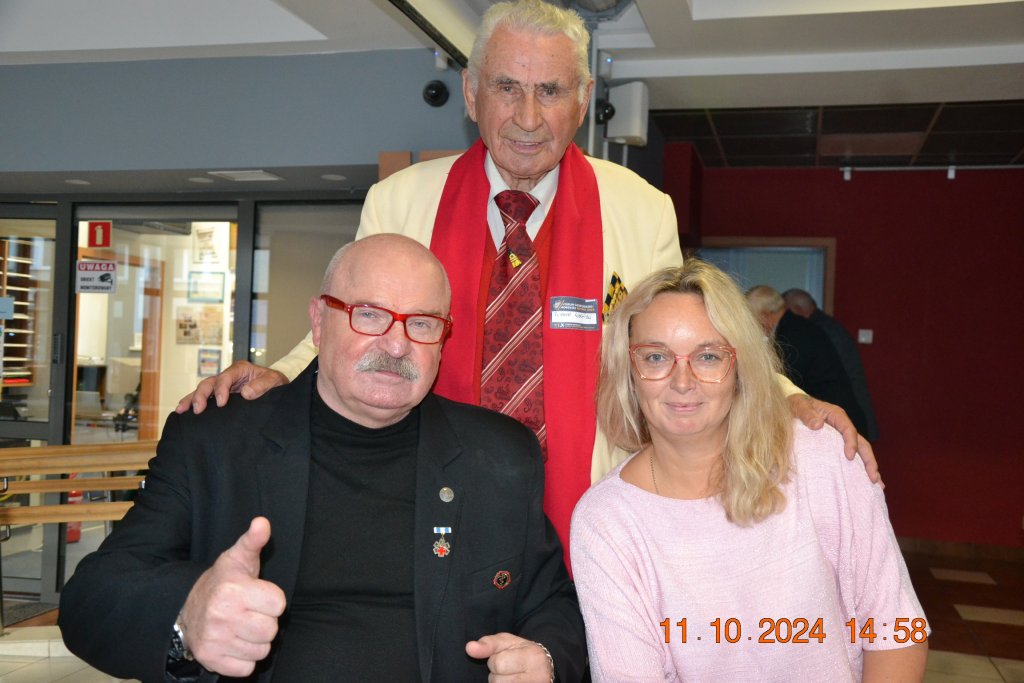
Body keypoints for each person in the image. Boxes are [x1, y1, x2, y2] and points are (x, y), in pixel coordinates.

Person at [177, 0, 875, 555]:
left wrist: (788, 397)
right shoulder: (401, 201)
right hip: (417, 503)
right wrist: (278, 374)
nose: (529, 117)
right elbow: (353, 326)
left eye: (551, 91)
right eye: (507, 87)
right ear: (471, 92)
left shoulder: (639, 208)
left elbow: (692, 334)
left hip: (591, 517)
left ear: (583, 99)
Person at [59, 234, 586, 683]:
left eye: (422, 323)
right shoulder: (216, 442)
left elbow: (554, 604)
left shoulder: (499, 455)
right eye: (369, 315)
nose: (396, 345)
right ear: (318, 321)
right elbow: (92, 599)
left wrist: (544, 657)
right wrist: (187, 615)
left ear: (443, 338)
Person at [570, 260, 928, 681]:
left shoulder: (822, 459)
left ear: (741, 367)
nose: (682, 381)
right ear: (629, 372)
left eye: (708, 356)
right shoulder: (605, 521)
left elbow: (894, 629)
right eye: (655, 356)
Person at [747, 284, 869, 437]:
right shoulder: (798, 326)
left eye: (753, 320)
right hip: (839, 416)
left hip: (835, 423)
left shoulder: (789, 337)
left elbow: (784, 387)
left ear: (765, 315)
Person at [784, 287, 879, 440]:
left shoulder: (817, 330)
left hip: (846, 411)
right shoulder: (827, 325)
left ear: (797, 309)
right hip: (851, 408)